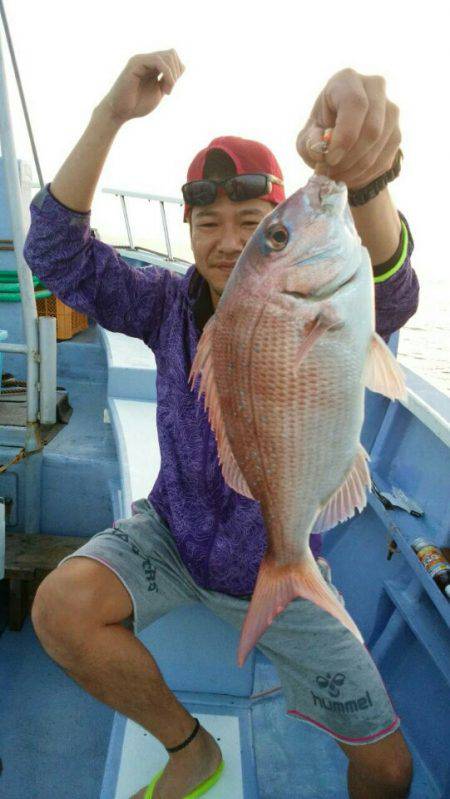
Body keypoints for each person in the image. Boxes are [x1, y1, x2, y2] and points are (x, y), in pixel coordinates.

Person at [24, 50, 419, 799]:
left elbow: (393, 296)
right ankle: (192, 748)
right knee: (58, 609)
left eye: (255, 225)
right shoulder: (163, 304)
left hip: (285, 557)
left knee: (389, 768)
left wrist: (366, 179)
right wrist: (112, 113)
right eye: (208, 223)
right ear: (188, 230)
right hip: (170, 538)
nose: (229, 241)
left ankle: (286, 580)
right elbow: (52, 251)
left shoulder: (330, 294)